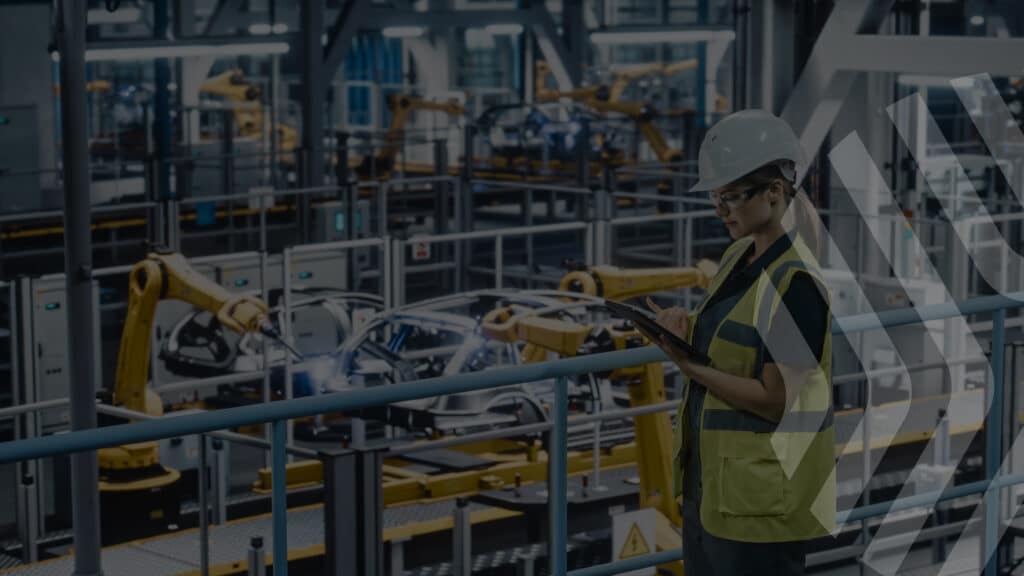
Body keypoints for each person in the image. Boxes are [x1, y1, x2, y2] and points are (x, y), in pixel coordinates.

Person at [640, 110, 835, 575]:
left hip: (761, 505)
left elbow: (774, 401)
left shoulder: (797, 284)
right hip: (714, 491)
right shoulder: (735, 256)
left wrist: (686, 366)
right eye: (716, 196)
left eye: (731, 196)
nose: (720, 209)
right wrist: (682, 329)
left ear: (774, 192)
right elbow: (729, 342)